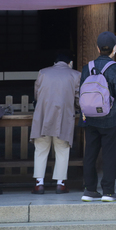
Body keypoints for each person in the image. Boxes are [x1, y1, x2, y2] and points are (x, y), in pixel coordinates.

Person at [80, 31, 116, 202]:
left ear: (98, 48)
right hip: (110, 117)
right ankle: (108, 192)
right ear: (114, 49)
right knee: (109, 153)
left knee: (90, 153)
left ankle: (89, 190)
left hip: (90, 117)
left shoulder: (88, 67)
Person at [30, 51, 81, 194]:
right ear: (70, 63)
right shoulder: (75, 75)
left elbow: (37, 94)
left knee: (40, 150)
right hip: (63, 118)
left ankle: (39, 184)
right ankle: (60, 183)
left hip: (43, 117)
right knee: (62, 149)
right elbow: (78, 98)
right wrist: (77, 108)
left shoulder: (43, 73)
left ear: (55, 63)